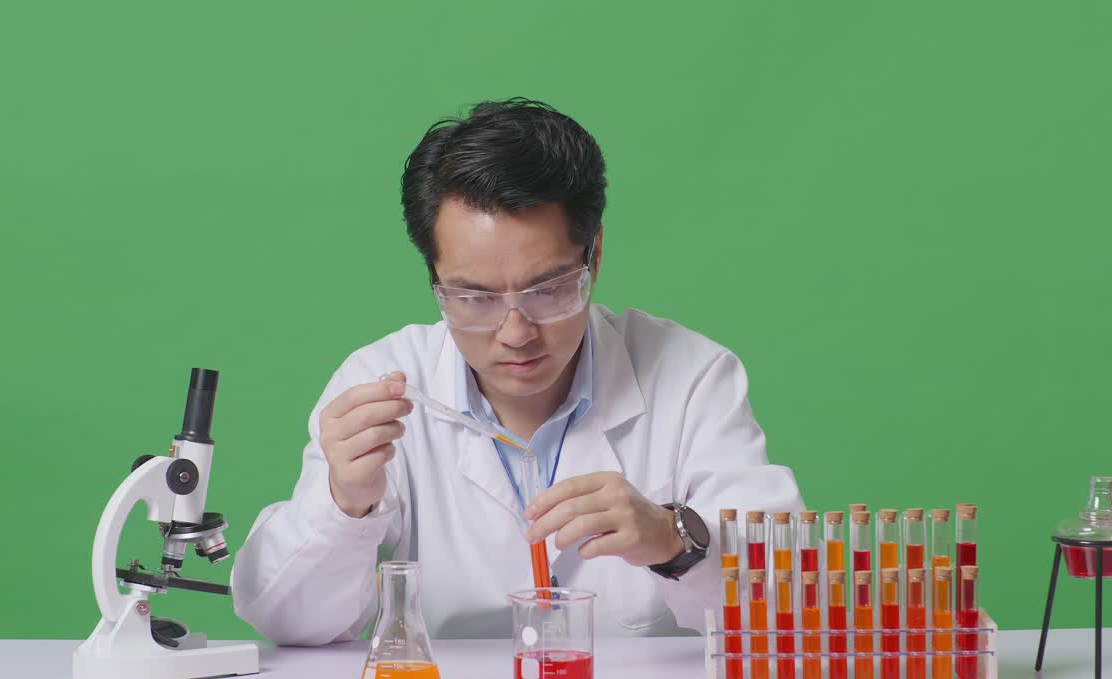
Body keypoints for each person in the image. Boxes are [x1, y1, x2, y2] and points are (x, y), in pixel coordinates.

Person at [231, 98, 801, 643]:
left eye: (548, 288)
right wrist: (344, 502)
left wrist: (673, 542)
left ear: (593, 255)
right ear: (434, 277)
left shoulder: (692, 377)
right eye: (473, 297)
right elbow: (288, 622)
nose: (515, 332)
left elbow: (792, 613)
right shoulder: (382, 381)